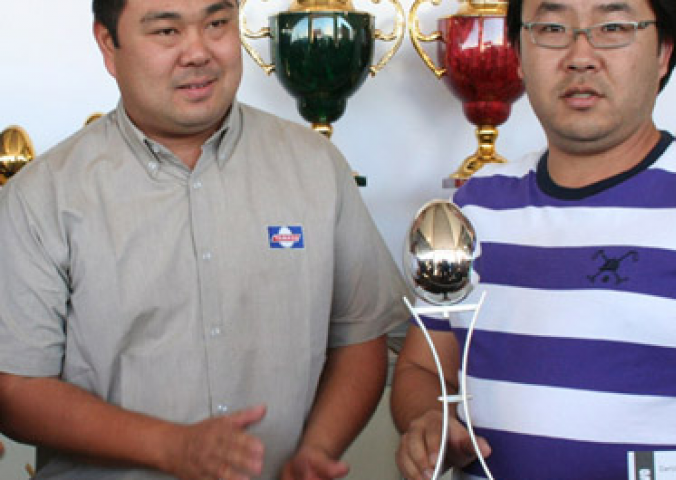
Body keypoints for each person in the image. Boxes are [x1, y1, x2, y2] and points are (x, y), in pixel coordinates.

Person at [0, 0, 407, 478]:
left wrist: (317, 449)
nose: (198, 52)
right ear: (108, 43)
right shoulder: (43, 197)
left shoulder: (316, 167)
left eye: (216, 24)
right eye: (167, 31)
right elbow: (16, 388)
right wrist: (169, 447)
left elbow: (360, 334)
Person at [391, 0, 676, 479]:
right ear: (518, 54)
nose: (580, 56)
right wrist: (427, 422)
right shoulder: (476, 206)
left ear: (663, 53)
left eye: (612, 27)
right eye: (552, 28)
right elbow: (424, 369)